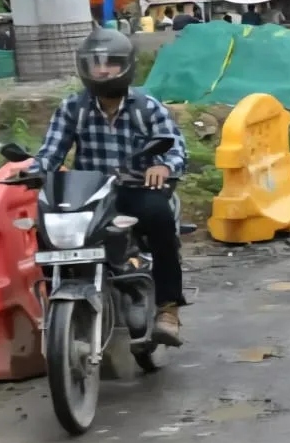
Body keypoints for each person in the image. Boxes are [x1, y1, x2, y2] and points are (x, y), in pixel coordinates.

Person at [30, 29, 189, 346]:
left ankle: (168, 309)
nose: (103, 70)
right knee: (45, 226)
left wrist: (163, 166)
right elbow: (50, 153)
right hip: (88, 194)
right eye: (95, 63)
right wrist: (32, 172)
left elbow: (176, 150)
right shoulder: (73, 108)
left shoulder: (147, 107)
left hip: (136, 188)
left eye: (111, 64)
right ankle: (56, 305)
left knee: (159, 218)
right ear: (84, 67)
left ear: (126, 66)